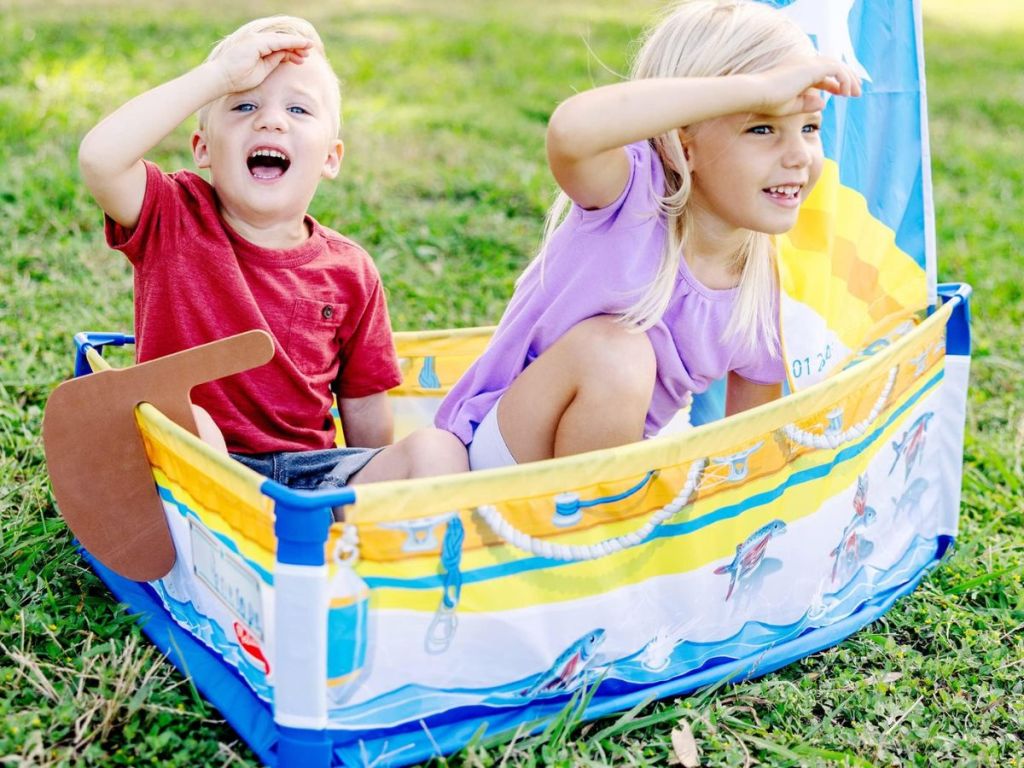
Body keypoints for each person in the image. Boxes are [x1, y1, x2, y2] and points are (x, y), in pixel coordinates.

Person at [435, 0, 861, 470]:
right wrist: (755, 88)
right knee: (617, 353)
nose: (799, 154)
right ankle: (586, 529)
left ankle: (603, 523)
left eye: (809, 127)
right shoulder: (633, 196)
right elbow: (571, 131)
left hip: (609, 480)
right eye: (761, 126)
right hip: (496, 457)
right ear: (684, 142)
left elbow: (751, 447)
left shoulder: (771, 284)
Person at [79, 15, 468, 492]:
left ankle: (364, 541)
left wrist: (375, 482)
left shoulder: (350, 270)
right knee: (191, 420)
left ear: (330, 157)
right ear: (202, 148)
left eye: (299, 111)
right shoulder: (172, 215)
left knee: (438, 449)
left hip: (312, 477)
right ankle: (246, 534)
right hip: (197, 469)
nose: (270, 119)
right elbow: (101, 157)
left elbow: (364, 401)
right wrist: (219, 77)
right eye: (243, 104)